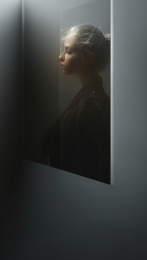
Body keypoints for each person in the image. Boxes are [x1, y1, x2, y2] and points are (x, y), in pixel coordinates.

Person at [40, 24, 111, 183]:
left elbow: (96, 168)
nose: (61, 56)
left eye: (68, 51)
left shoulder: (95, 104)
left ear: (88, 57)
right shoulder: (87, 98)